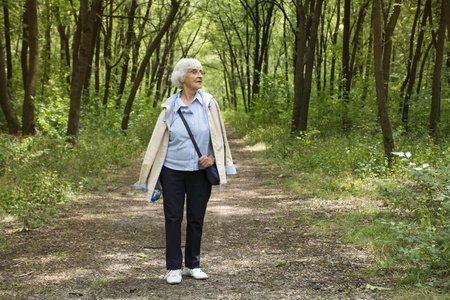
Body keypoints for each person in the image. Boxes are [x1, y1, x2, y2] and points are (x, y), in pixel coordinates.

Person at [135, 58, 236, 284]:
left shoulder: (209, 103)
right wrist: (157, 175)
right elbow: (159, 143)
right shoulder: (169, 106)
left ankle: (192, 265)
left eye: (200, 71)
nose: (199, 75)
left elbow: (217, 136)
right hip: (172, 171)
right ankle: (173, 268)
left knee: (196, 219)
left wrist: (212, 158)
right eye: (193, 72)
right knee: (172, 218)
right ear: (182, 78)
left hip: (200, 173)